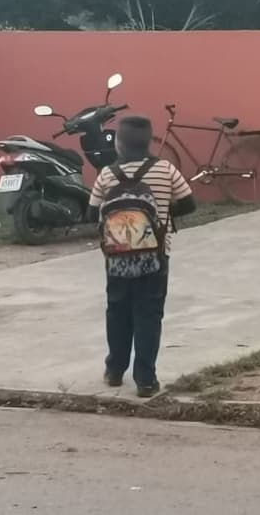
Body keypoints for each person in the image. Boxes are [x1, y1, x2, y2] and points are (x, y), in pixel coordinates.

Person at [88, 115, 196, 398]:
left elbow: (92, 212)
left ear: (119, 144)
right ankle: (146, 380)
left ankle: (114, 370)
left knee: (117, 312)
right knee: (148, 315)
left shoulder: (107, 174)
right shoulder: (165, 169)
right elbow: (189, 204)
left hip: (117, 258)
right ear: (149, 141)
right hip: (156, 256)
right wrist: (162, 214)